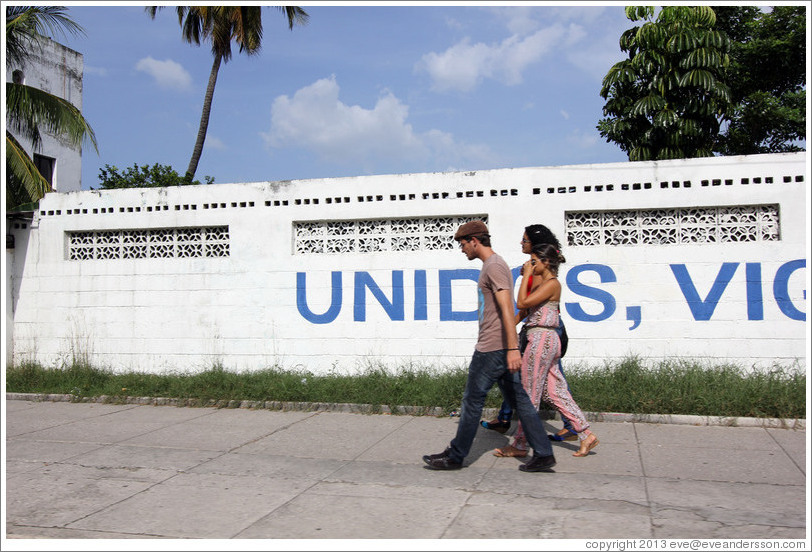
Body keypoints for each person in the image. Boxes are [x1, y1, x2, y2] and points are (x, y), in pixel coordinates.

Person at [422, 221, 557, 472]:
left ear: (474, 240)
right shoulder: (493, 265)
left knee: (472, 401)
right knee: (521, 401)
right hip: (502, 346)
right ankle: (543, 453)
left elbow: (508, 307)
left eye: (463, 244)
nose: (462, 249)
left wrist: (512, 348)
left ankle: (456, 455)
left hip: (493, 347)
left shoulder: (494, 266)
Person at [493, 243, 599, 458]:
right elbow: (525, 310)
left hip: (541, 339)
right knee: (554, 391)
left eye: (534, 261)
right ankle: (585, 433)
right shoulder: (543, 285)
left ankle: (521, 444)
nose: (530, 265)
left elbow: (521, 301)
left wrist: (525, 277)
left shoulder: (552, 284)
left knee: (529, 393)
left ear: (546, 262)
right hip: (543, 338)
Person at [481, 224, 578, 442]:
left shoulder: (537, 272)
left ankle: (569, 426)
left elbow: (524, 305)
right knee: (522, 373)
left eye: (524, 240)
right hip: (539, 327)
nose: (521, 243)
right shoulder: (537, 269)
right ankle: (506, 418)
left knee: (548, 379)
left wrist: (508, 326)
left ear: (534, 245)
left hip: (543, 330)